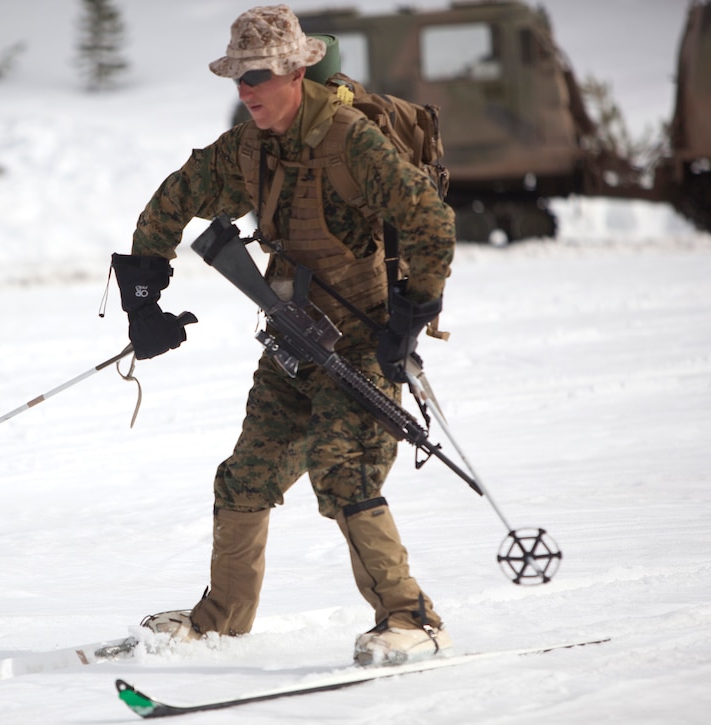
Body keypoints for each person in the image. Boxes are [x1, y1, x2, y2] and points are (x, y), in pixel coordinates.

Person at [109, 4, 456, 667]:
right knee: (245, 476)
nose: (247, 92)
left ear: (297, 71)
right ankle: (223, 617)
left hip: (364, 348)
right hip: (296, 342)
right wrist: (145, 298)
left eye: (259, 76)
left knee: (342, 471)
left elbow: (430, 222)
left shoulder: (354, 140)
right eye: (238, 80)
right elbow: (172, 202)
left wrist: (411, 314)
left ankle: (412, 618)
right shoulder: (250, 149)